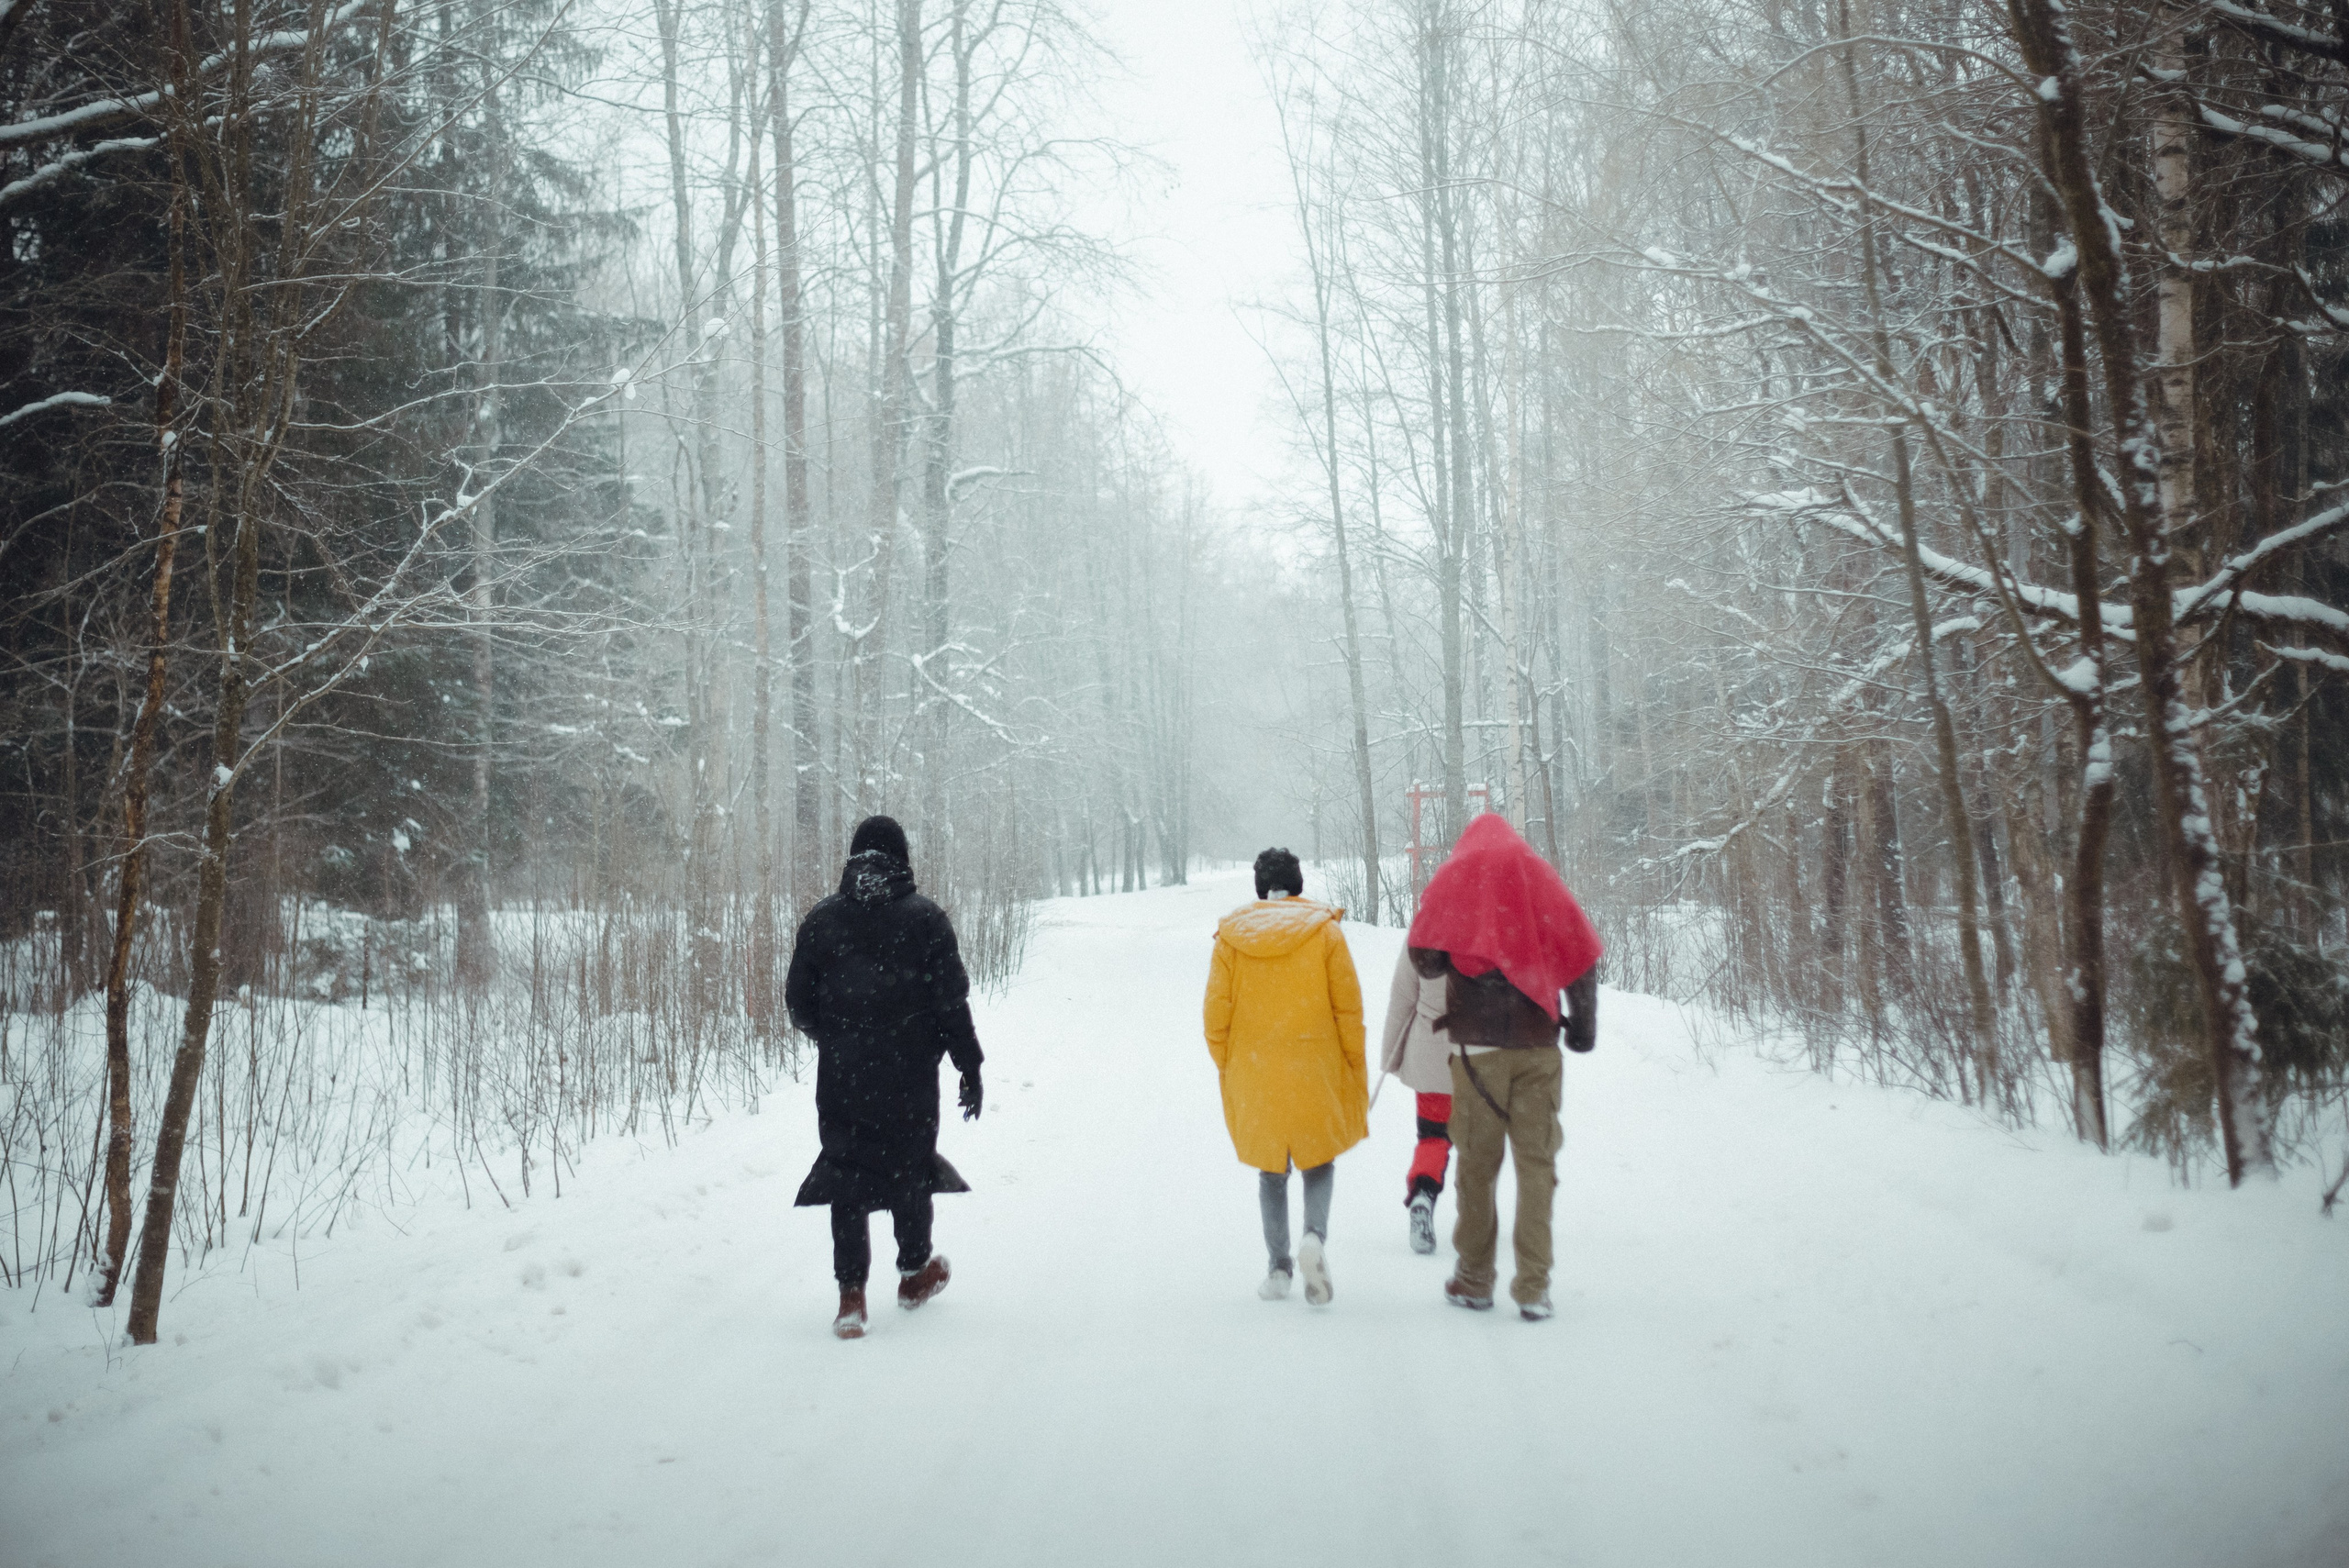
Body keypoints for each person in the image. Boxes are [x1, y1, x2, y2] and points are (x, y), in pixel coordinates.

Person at [786, 815, 985, 1340]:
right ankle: (914, 1275)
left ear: (853, 859)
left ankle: (851, 1299)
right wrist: (969, 1065)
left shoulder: (821, 921)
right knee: (910, 1167)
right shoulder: (926, 920)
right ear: (902, 859)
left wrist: (840, 1040)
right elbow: (950, 1003)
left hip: (844, 1078)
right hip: (910, 1077)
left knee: (846, 1172)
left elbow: (799, 1007)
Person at [1407, 813, 1600, 1322]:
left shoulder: (1457, 876)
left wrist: (1459, 937)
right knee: (1537, 1168)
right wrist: (1583, 1025)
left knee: (1476, 1168)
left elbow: (1424, 959)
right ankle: (1534, 1286)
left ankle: (1473, 1279)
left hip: (1477, 1054)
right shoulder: (1537, 876)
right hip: (1538, 1047)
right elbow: (1581, 951)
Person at [1202, 848, 1368, 1306]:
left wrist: (1229, 1064)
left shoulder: (1231, 939)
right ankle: (1313, 1237)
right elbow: (1347, 1008)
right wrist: (1352, 1060)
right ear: (1298, 885)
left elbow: (1216, 1017)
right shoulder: (1325, 932)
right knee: (1318, 1160)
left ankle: (1278, 1268)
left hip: (1256, 1067)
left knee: (1271, 1171)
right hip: (1315, 1064)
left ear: (1260, 889)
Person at [1378, 945, 1454, 1254]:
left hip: (1432, 1053)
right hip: (1480, 1053)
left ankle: (1423, 1192)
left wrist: (1390, 1059)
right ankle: (1478, 1221)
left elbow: (1402, 1000)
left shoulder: (1423, 930)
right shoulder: (1488, 922)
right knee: (1481, 1147)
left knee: (1433, 1137)